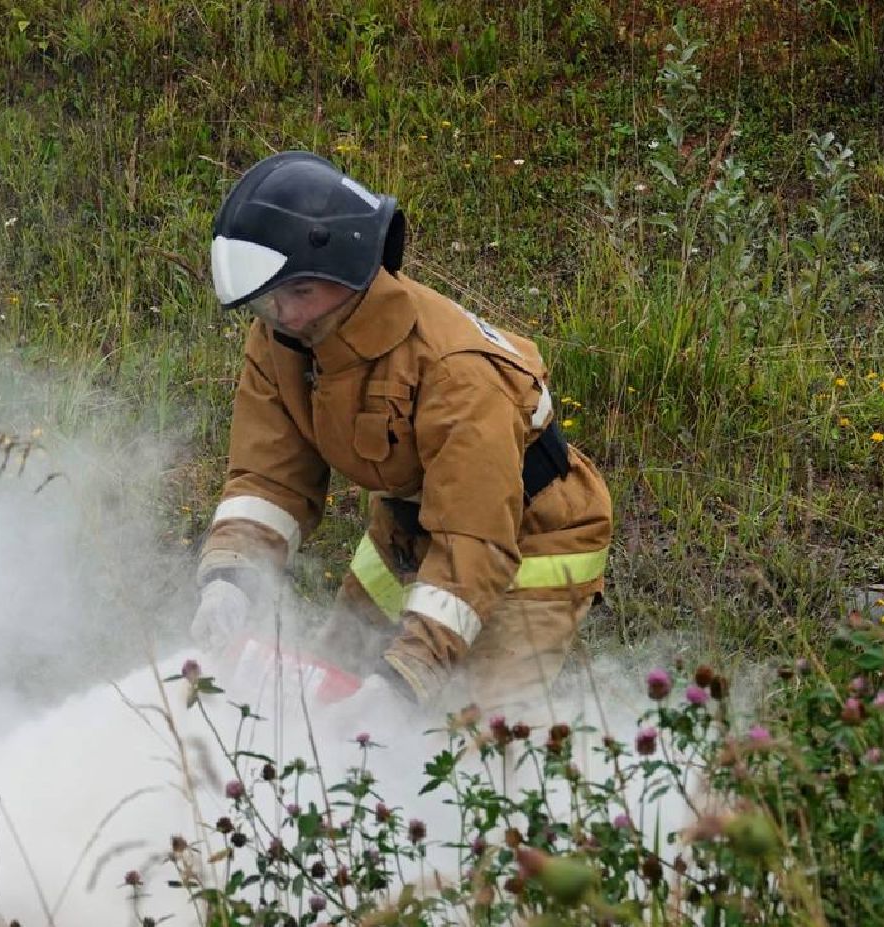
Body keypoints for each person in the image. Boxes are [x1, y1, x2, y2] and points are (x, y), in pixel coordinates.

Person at [190, 150, 613, 717]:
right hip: (408, 526)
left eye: (297, 295)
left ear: (347, 270)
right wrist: (231, 575)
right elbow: (268, 478)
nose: (281, 316)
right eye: (268, 301)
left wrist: (407, 675)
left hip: (527, 539)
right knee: (328, 692)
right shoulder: (285, 338)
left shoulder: (456, 371)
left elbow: (474, 539)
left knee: (471, 740)